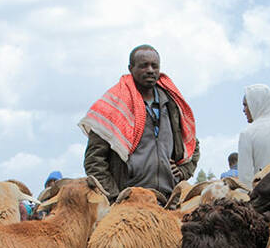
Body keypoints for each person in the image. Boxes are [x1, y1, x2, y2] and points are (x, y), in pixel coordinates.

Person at [80, 44, 200, 200]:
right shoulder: (113, 106)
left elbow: (192, 145)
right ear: (131, 68)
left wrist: (183, 171)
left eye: (154, 66)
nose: (150, 70)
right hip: (129, 202)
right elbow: (94, 161)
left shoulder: (172, 105)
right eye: (144, 66)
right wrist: (116, 197)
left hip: (169, 199)